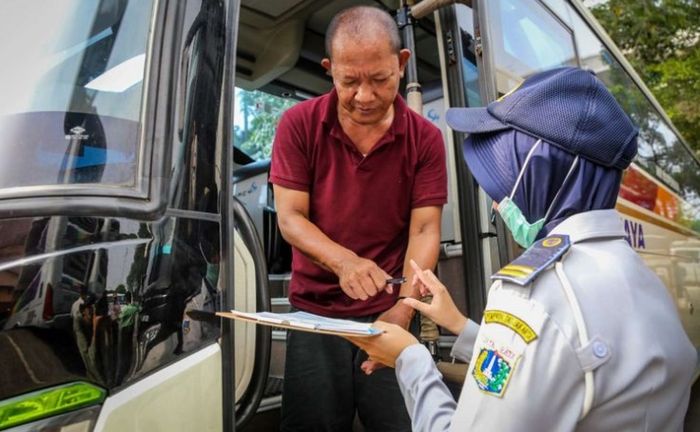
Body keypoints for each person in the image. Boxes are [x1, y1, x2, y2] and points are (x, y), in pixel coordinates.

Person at [349, 67, 697, 431]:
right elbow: (556, 361)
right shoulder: (645, 281)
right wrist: (461, 327)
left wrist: (409, 357)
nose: (498, 206)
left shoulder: (534, 297)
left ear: (542, 176)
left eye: (506, 185)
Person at [269, 5, 447, 431]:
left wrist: (404, 309)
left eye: (380, 80)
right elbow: (290, 217)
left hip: (389, 314)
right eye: (349, 82)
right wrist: (343, 262)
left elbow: (424, 229)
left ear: (401, 65)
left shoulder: (426, 139)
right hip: (314, 316)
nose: (364, 96)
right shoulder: (298, 124)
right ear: (330, 70)